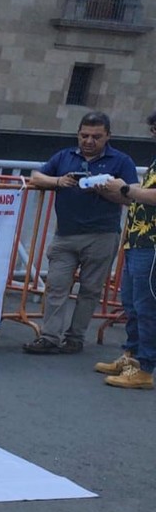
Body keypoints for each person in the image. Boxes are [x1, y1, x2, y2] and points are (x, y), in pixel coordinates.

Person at [22, 111, 137, 355]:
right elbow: (36, 176)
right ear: (78, 134)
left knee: (90, 290)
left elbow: (130, 197)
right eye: (84, 135)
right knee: (56, 286)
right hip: (65, 235)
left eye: (96, 136)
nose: (89, 141)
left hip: (102, 235)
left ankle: (75, 338)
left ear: (108, 137)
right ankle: (50, 336)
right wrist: (58, 182)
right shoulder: (64, 156)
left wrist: (102, 189)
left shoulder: (121, 161)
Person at [91, 111, 156, 389]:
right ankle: (132, 356)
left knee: (146, 305)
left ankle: (145, 367)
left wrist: (126, 188)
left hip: (151, 243)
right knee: (131, 302)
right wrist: (111, 190)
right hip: (137, 239)